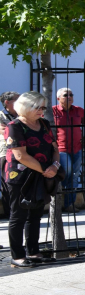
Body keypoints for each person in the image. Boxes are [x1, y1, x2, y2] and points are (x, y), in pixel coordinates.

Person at [4, 91, 60, 267]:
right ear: (26, 107)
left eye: (43, 107)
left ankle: (34, 252)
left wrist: (55, 166)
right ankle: (17, 255)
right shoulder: (14, 126)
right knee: (18, 215)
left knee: (35, 214)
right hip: (20, 177)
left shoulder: (43, 123)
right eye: (38, 107)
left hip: (42, 175)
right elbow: (20, 155)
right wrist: (46, 169)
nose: (42, 111)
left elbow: (55, 148)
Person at [52, 87, 85, 212]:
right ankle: (60, 198)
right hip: (61, 148)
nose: (69, 97)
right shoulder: (53, 111)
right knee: (67, 171)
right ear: (58, 98)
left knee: (74, 175)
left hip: (77, 148)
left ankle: (69, 204)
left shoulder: (79, 110)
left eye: (71, 94)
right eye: (65, 95)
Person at [1, 91, 18, 220]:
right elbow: (6, 131)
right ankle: (10, 212)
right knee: (8, 183)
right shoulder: (1, 116)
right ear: (7, 102)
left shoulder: (22, 115)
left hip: (21, 152)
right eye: (17, 100)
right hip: (5, 153)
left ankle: (19, 209)